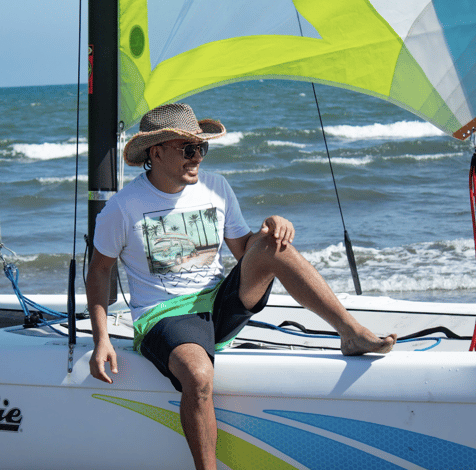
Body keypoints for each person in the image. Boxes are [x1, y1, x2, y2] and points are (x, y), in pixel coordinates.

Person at [86, 103, 395, 470]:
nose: (197, 157)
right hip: (165, 314)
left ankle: (351, 333)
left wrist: (272, 229)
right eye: (188, 149)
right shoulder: (123, 208)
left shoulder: (216, 189)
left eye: (201, 148)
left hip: (217, 303)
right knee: (199, 378)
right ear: (156, 152)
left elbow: (246, 250)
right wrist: (101, 339)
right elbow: (99, 271)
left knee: (274, 243)